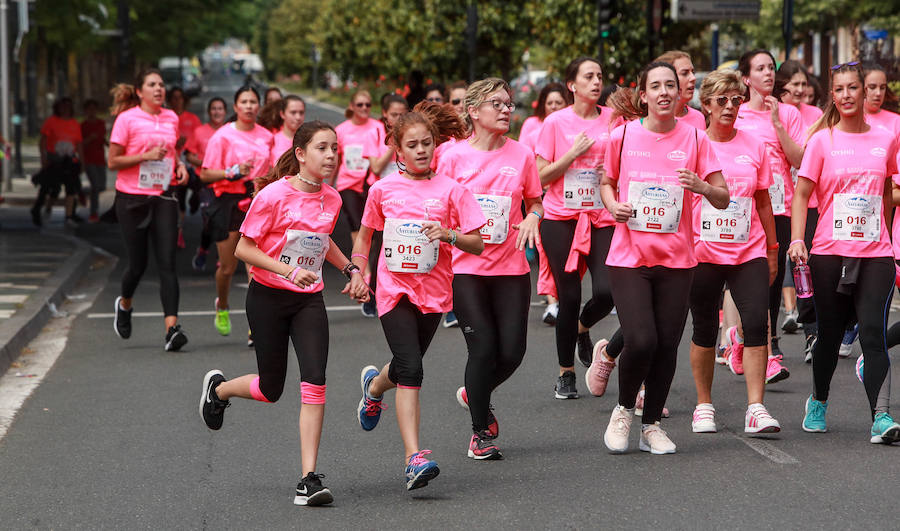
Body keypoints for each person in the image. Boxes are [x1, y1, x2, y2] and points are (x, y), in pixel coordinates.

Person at [199, 120, 369, 506]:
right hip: (268, 298)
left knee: (315, 381)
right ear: (301, 154)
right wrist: (287, 270)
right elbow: (244, 249)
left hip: (309, 300)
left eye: (335, 148)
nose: (331, 155)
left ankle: (308, 479)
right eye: (322, 148)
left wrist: (351, 269)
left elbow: (322, 242)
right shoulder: (273, 196)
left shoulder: (332, 198)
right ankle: (219, 390)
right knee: (270, 389)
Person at [351, 101, 485, 490]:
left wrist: (448, 235)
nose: (422, 150)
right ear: (398, 150)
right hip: (393, 291)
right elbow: (365, 236)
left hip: (434, 292)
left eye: (427, 142)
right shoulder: (382, 190)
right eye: (412, 145)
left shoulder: (453, 191)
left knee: (404, 365)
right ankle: (414, 458)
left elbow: (477, 243)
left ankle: (374, 387)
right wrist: (358, 271)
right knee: (412, 369)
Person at [600, 61, 729, 455]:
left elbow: (723, 197)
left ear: (679, 93)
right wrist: (614, 206)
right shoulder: (622, 135)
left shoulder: (695, 138)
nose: (664, 92)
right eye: (655, 86)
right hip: (629, 257)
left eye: (670, 85)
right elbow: (606, 183)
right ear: (643, 95)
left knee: (667, 345)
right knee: (641, 339)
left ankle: (651, 426)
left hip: (678, 260)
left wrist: (702, 186)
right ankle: (624, 409)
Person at [789, 61, 900, 444]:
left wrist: (885, 234)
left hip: (875, 253)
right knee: (831, 334)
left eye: (854, 87)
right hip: (829, 252)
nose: (848, 95)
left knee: (873, 332)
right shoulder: (822, 141)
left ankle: (881, 417)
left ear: (863, 91)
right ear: (832, 96)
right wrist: (797, 239)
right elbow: (802, 194)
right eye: (840, 89)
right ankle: (818, 401)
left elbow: (885, 190)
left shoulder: (886, 138)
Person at [439, 78, 543, 459]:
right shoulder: (452, 158)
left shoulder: (522, 155)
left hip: (511, 269)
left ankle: (475, 392)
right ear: (473, 111)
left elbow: (535, 200)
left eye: (508, 104)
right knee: (482, 348)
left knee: (512, 352)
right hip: (466, 270)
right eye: (496, 104)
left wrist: (533, 217)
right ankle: (480, 433)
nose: (505, 110)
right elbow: (437, 205)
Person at [688, 70, 782, 435]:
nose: (730, 106)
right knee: (704, 328)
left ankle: (756, 408)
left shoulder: (754, 145)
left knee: (757, 322)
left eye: (736, 100)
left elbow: (763, 202)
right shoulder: (694, 144)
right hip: (703, 252)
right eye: (722, 100)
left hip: (749, 250)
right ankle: (703, 405)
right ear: (706, 105)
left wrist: (772, 249)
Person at [534, 56, 619, 399]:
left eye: (599, 75)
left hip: (602, 215)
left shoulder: (614, 118)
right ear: (572, 85)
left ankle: (583, 327)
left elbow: (624, 164)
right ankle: (565, 373)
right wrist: (571, 155)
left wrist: (610, 174)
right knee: (568, 296)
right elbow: (539, 177)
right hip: (561, 218)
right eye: (589, 76)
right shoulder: (555, 123)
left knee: (607, 291)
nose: (597, 81)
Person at [107, 69, 190, 351]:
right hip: (131, 199)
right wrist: (145, 156)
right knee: (138, 265)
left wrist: (179, 166)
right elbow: (113, 161)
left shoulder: (171, 117)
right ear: (139, 91)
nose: (158, 89)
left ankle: (172, 329)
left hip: (164, 196)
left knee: (167, 262)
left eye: (161, 85)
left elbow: (172, 151)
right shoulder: (126, 119)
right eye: (152, 84)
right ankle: (125, 304)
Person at [735, 50, 805, 363]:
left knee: (774, 273)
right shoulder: (737, 113)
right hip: (744, 205)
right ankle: (748, 335)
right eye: (760, 68)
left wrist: (777, 123)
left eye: (771, 68)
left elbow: (799, 159)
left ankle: (770, 337)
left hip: (780, 205)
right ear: (746, 78)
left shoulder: (788, 113)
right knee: (749, 271)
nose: (768, 73)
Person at [200, 85, 274, 338]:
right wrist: (230, 172)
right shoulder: (222, 136)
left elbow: (271, 169)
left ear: (259, 106)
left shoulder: (267, 136)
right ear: (235, 106)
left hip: (256, 202)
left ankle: (256, 325)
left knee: (255, 267)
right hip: (227, 202)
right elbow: (205, 174)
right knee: (228, 267)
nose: (249, 106)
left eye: (253, 102)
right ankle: (222, 305)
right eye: (244, 102)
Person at [775, 60, 823, 360]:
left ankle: (812, 332)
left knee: (807, 267)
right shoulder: (771, 113)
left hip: (810, 201)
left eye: (804, 84)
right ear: (782, 85)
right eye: (794, 84)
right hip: (777, 203)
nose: (801, 89)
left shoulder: (816, 115)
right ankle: (760, 339)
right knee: (775, 272)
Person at [519, 82, 569, 325]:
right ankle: (552, 302)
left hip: (568, 199)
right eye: (550, 103)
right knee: (545, 251)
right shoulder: (532, 128)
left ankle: (563, 299)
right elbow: (524, 160)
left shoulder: (572, 128)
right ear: (542, 105)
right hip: (540, 197)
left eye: (559, 102)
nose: (554, 106)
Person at [335, 90, 384, 297]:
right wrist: (329, 185)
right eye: (360, 104)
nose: (364, 108)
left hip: (370, 185)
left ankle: (370, 269)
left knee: (372, 232)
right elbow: (337, 159)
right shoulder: (341, 130)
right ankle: (366, 274)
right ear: (352, 106)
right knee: (357, 228)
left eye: (368, 104)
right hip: (347, 184)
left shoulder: (377, 127)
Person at [185, 97, 227, 272]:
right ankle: (203, 250)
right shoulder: (199, 131)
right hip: (205, 182)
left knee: (224, 221)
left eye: (220, 108)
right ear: (209, 112)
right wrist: (205, 164)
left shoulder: (230, 131)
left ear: (225, 112)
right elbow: (189, 155)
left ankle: (221, 256)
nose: (217, 112)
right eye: (214, 109)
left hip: (226, 183)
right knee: (209, 220)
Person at [32, 97, 84, 226]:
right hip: (54, 160)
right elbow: (43, 140)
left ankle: (69, 215)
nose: (65, 109)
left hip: (69, 160)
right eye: (62, 106)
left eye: (68, 106)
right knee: (49, 187)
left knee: (71, 187)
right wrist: (43, 157)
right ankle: (38, 208)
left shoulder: (75, 124)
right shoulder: (51, 122)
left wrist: (82, 161)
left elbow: (79, 144)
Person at [168, 87, 203, 248]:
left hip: (192, 164)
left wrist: (188, 145)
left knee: (199, 191)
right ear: (170, 100)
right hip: (174, 164)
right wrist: (176, 143)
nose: (177, 101)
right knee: (179, 199)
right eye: (174, 98)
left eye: (180, 97)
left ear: (184, 100)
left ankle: (194, 202)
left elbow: (200, 139)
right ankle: (179, 232)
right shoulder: (167, 118)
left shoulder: (192, 119)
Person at [655, 51, 706, 129]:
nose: (693, 78)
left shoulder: (698, 117)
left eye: (693, 72)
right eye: (684, 73)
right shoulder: (648, 120)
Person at [81, 99, 107, 222]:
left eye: (94, 109)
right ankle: (93, 212)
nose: (92, 111)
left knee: (101, 186)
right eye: (89, 109)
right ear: (86, 111)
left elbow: (103, 139)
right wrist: (90, 139)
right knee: (96, 186)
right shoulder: (83, 126)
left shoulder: (101, 123)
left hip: (100, 158)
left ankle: (82, 192)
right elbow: (80, 144)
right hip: (88, 159)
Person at [270, 95, 306, 166]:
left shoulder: (309, 141)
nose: (298, 117)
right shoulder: (272, 140)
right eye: (293, 112)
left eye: (301, 113)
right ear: (282, 114)